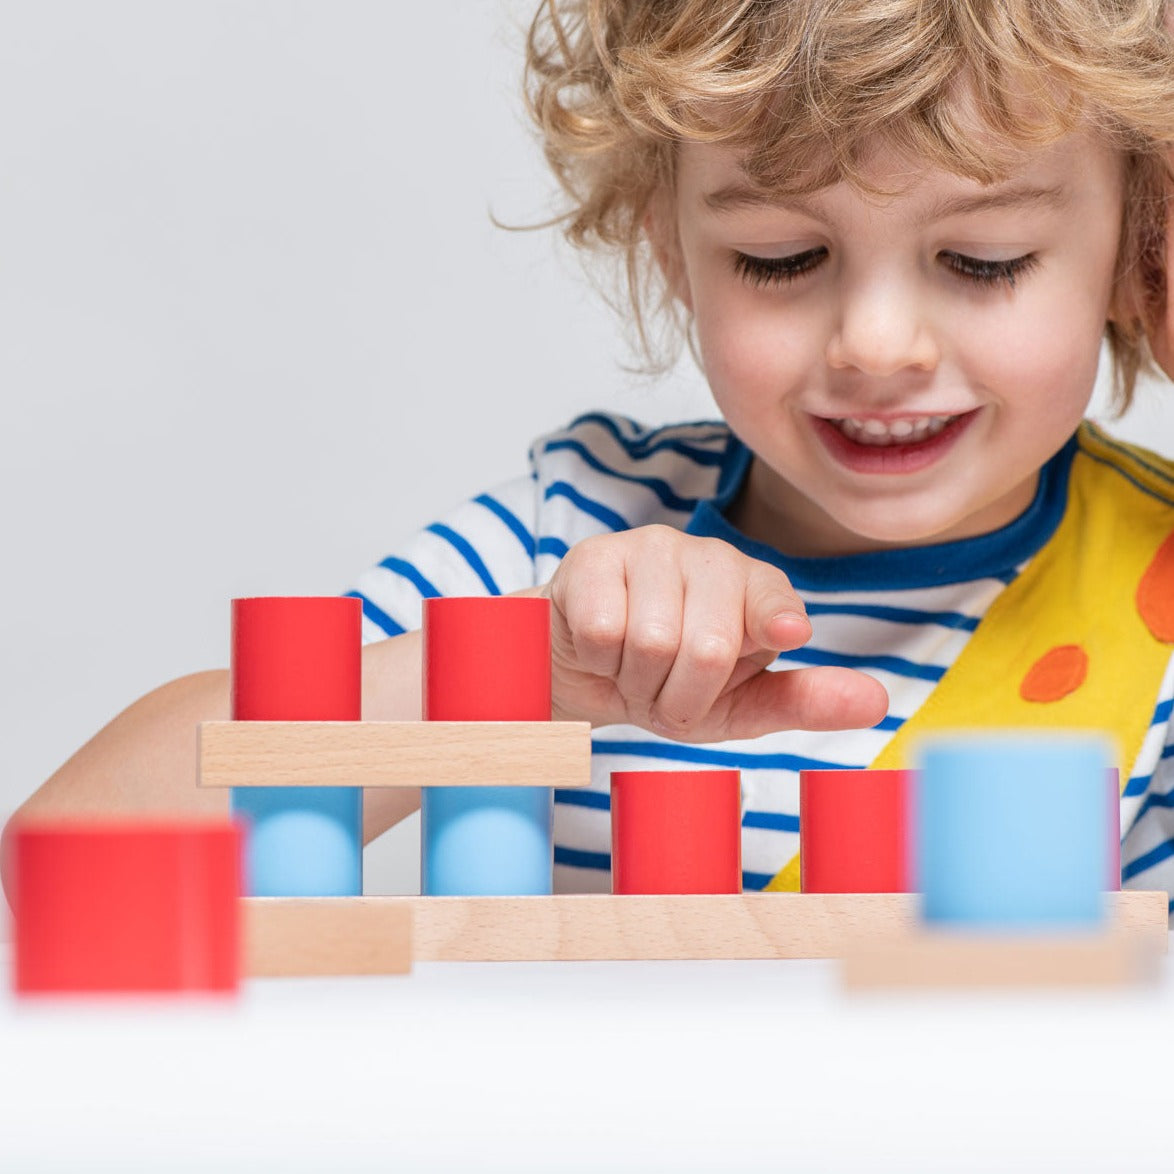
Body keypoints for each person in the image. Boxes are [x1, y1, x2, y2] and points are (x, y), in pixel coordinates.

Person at [4, 0, 1174, 904]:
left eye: (982, 259)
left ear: (1140, 250)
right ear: (670, 250)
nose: (876, 346)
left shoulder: (1157, 579)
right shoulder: (571, 533)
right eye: (777, 257)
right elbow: (67, 855)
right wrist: (515, 671)